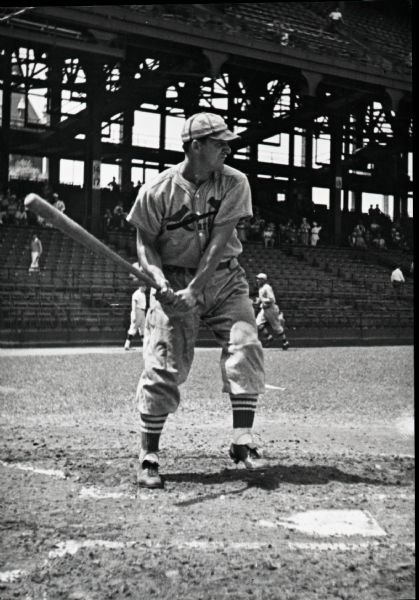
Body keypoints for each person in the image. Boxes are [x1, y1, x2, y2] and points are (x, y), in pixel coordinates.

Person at [126, 111, 267, 489]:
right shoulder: (156, 190)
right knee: (164, 366)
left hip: (223, 279)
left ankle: (242, 444)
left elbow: (220, 241)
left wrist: (197, 289)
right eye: (219, 143)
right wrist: (156, 277)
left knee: (246, 345)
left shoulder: (236, 182)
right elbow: (145, 244)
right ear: (195, 146)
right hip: (174, 278)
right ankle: (149, 455)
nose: (227, 148)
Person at [254, 273, 289, 350]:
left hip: (271, 309)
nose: (257, 280)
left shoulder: (267, 287)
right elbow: (261, 298)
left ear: (263, 280)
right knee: (258, 324)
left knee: (276, 327)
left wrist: (262, 300)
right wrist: (258, 301)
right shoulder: (261, 288)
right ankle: (269, 338)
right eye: (257, 279)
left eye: (259, 279)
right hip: (264, 309)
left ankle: (285, 342)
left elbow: (272, 299)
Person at [124, 285, 147, 350]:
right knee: (133, 328)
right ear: (139, 286)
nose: (145, 288)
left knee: (143, 329)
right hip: (137, 310)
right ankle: (127, 345)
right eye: (143, 286)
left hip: (142, 311)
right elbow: (134, 304)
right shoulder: (136, 293)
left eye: (145, 286)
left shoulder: (143, 294)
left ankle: (145, 345)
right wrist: (134, 314)